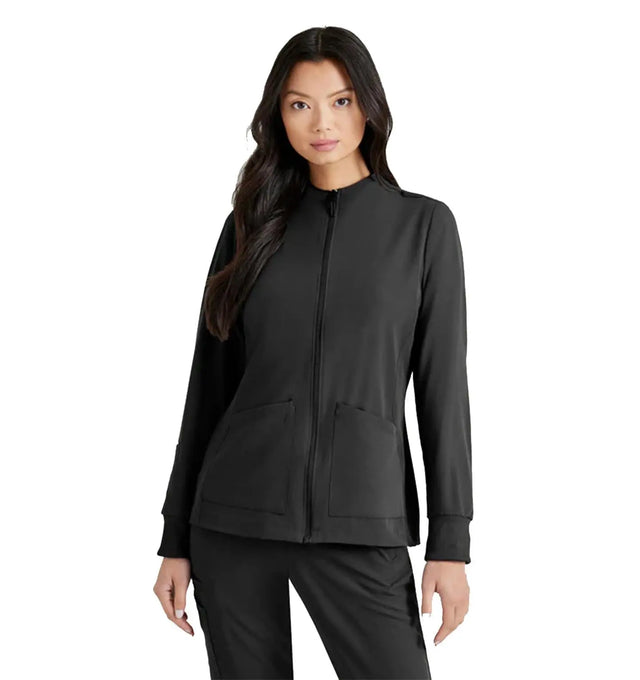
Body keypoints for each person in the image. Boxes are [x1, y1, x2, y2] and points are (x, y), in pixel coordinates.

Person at [152, 25, 473, 680]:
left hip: (363, 520)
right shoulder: (250, 225)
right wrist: (174, 537)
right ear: (279, 114)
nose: (321, 122)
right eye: (299, 104)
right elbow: (207, 388)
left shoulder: (423, 227)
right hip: (232, 520)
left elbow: (443, 394)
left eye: (340, 100)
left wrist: (451, 541)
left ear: (369, 107)